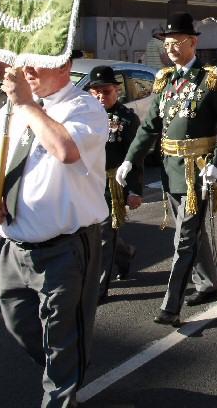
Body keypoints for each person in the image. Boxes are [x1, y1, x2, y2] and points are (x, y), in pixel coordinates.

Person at [0, 53, 108, 406]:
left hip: (65, 248)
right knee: (20, 325)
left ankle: (62, 390)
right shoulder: (13, 110)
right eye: (23, 63)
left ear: (63, 67)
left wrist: (28, 106)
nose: (25, 70)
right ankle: (65, 374)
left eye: (36, 63)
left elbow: (65, 150)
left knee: (62, 339)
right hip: (14, 249)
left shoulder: (84, 107)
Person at [116, 12, 217, 325]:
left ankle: (171, 307)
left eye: (175, 42)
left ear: (192, 42)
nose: (169, 48)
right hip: (170, 171)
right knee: (192, 235)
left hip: (197, 172)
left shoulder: (212, 79)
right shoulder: (165, 80)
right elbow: (150, 127)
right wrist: (131, 158)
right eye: (166, 43)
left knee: (182, 240)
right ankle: (207, 283)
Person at [85, 66, 143, 303]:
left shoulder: (127, 118)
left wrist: (135, 190)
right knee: (94, 233)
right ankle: (125, 254)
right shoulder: (83, 115)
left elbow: (135, 156)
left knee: (104, 235)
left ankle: (99, 288)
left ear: (116, 91)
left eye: (106, 92)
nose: (101, 97)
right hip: (87, 183)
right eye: (96, 92)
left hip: (113, 183)